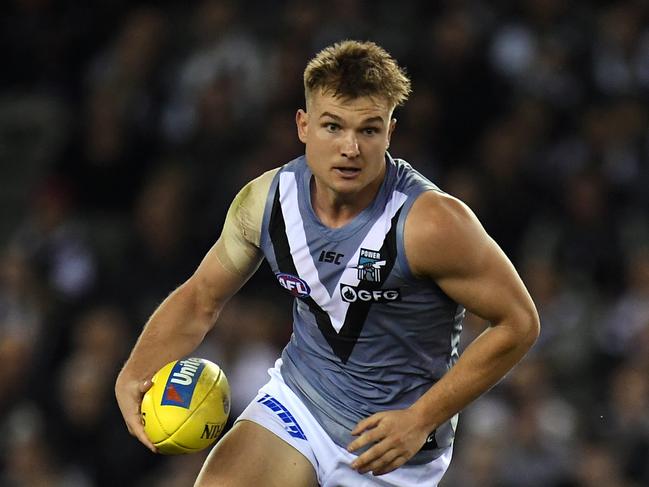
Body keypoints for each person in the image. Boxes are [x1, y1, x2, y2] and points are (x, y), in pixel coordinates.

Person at [115, 40, 540, 487]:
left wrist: (420, 418)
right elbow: (202, 297)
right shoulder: (266, 202)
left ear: (390, 133)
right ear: (303, 125)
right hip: (299, 403)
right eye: (333, 126)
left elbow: (519, 323)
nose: (351, 148)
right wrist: (134, 372)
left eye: (369, 130)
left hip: (391, 444)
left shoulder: (432, 223)